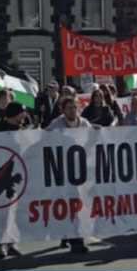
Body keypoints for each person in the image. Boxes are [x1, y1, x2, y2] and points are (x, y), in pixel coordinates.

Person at [47, 97, 94, 254]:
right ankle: (75, 240)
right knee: (70, 203)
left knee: (77, 203)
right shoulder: (56, 124)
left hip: (80, 171)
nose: (73, 110)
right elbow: (45, 137)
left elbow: (92, 137)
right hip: (62, 171)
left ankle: (70, 235)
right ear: (63, 110)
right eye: (69, 108)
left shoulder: (84, 123)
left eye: (75, 107)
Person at [0, 102, 26, 259]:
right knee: (2, 212)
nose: (24, 115)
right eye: (22, 112)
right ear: (15, 114)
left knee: (15, 212)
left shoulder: (23, 130)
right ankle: (1, 245)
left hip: (17, 175)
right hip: (1, 175)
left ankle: (11, 243)